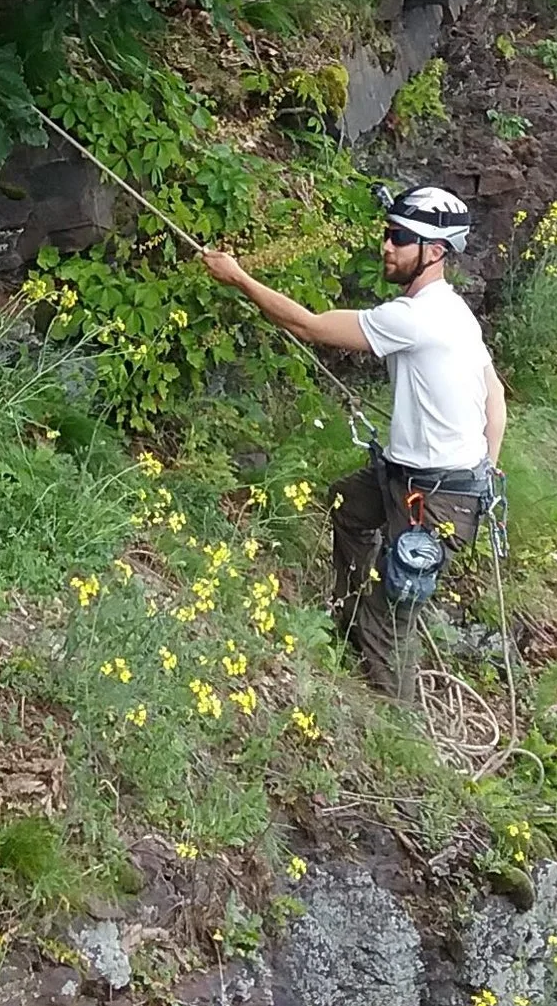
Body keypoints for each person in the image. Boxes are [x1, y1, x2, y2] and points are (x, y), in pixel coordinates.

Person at [202, 185, 507, 699]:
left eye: (400, 237)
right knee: (346, 504)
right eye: (387, 233)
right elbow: (494, 397)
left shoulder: (417, 317)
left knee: (389, 618)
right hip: (411, 478)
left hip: (437, 498)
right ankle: (344, 622)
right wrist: (486, 471)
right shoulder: (454, 313)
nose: (386, 245)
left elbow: (310, 325)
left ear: (434, 252)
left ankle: (397, 732)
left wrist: (238, 278)